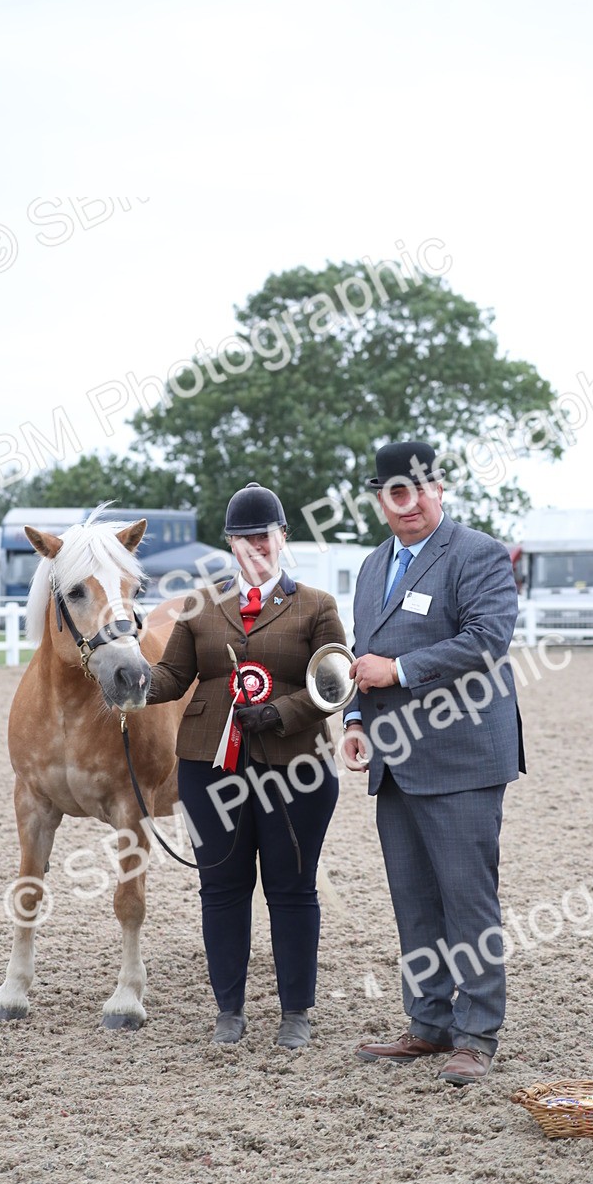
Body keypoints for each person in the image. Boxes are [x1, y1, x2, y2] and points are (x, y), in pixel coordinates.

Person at [342, 441, 525, 1086]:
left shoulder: (475, 554)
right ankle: (428, 1023)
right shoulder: (371, 567)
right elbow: (362, 652)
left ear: (438, 490)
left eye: (418, 489)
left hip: (463, 757)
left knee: (467, 901)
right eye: (394, 493)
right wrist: (357, 722)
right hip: (394, 759)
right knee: (414, 900)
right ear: (381, 500)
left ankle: (477, 1033)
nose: (408, 503)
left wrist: (402, 669)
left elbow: (486, 639)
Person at [146, 482, 345, 1048]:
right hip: (211, 767)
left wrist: (280, 712)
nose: (255, 546)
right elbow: (172, 679)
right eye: (243, 538)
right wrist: (130, 677)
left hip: (297, 766)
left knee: (292, 887)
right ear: (230, 544)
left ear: (282, 538)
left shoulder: (316, 606)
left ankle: (295, 1014)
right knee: (221, 888)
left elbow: (335, 683)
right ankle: (228, 1009)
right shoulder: (199, 607)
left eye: (264, 536)